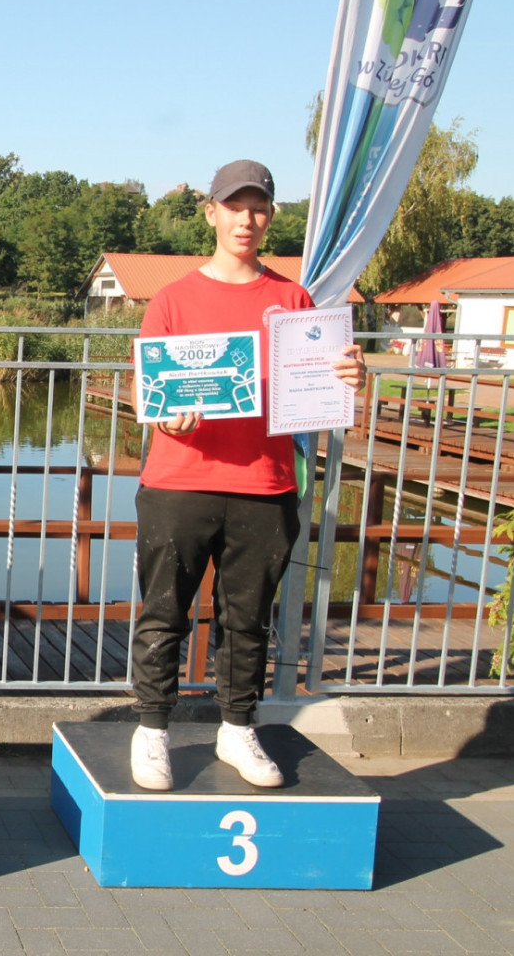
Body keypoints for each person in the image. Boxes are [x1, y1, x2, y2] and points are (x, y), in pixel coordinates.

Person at [129, 159, 365, 791]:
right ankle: (152, 730)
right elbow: (147, 392)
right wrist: (165, 415)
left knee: (248, 619)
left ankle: (237, 727)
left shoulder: (294, 300)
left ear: (270, 217)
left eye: (258, 208)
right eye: (235, 206)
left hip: (265, 485)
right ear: (211, 213)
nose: (246, 219)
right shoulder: (173, 298)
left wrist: (347, 378)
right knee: (164, 614)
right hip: (180, 482)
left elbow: (321, 384)